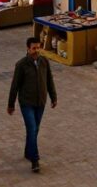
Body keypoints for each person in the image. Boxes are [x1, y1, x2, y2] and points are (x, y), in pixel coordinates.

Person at [7, 36, 57, 173]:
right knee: (32, 128)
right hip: (27, 102)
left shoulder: (44, 62)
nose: (36, 51)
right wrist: (11, 104)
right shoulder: (21, 65)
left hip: (41, 102)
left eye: (38, 47)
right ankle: (35, 160)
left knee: (35, 129)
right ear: (28, 49)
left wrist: (53, 97)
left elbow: (49, 80)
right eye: (34, 48)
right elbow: (15, 86)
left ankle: (28, 152)